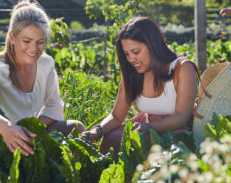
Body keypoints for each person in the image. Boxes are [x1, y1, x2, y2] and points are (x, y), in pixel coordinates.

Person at [0, 0, 85, 157]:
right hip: (1, 137)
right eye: (27, 41)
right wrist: (7, 128)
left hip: (32, 134)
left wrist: (32, 128)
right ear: (12, 37)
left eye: (40, 41)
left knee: (76, 128)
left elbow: (54, 105)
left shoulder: (46, 63)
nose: (34, 48)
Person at [82, 17, 198, 154]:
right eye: (127, 54)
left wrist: (150, 127)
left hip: (176, 130)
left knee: (163, 147)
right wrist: (97, 131)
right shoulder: (132, 73)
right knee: (112, 139)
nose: (131, 59)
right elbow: (117, 116)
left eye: (136, 52)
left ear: (152, 45)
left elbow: (181, 118)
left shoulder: (182, 68)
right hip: (145, 126)